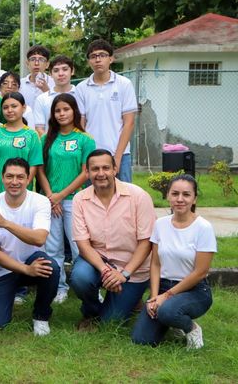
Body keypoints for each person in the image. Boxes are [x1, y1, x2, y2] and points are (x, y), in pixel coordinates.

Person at [70, 149, 155, 330]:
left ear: (115, 169)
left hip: (131, 268)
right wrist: (105, 271)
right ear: (87, 172)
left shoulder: (138, 196)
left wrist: (123, 274)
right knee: (80, 277)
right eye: (95, 169)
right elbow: (83, 244)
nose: (101, 173)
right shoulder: (80, 199)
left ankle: (132, 301)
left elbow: (146, 242)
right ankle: (91, 312)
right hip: (98, 262)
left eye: (106, 168)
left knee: (111, 322)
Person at [131, 174, 217, 349]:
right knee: (142, 339)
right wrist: (154, 296)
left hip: (194, 290)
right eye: (175, 193)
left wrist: (166, 297)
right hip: (163, 286)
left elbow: (200, 272)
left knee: (167, 310)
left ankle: (191, 328)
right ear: (168, 196)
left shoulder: (203, 228)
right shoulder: (160, 224)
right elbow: (155, 263)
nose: (180, 199)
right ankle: (172, 320)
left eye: (186, 194)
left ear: (194, 199)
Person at [0, 157, 57, 336]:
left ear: (28, 179)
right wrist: (26, 269)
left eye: (20, 177)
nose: (14, 182)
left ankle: (41, 316)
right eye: (9, 176)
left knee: (51, 268)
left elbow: (39, 238)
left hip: (32, 260)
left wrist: (6, 223)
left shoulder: (40, 201)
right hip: (1, 269)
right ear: (2, 178)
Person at [36, 93, 95, 303]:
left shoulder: (85, 139)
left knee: (79, 246)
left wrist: (61, 196)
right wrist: (51, 197)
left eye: (66, 109)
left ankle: (86, 286)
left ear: (74, 111)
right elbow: (39, 169)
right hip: (49, 201)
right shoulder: (45, 139)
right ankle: (59, 287)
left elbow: (86, 172)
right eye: (57, 111)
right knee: (52, 248)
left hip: (74, 200)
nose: (61, 114)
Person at [75, 39, 137, 182]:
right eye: (93, 56)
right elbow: (81, 124)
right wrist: (84, 154)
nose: (98, 60)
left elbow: (129, 123)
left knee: (123, 194)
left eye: (102, 55)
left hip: (120, 153)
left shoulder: (124, 84)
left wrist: (118, 157)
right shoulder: (81, 88)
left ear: (111, 58)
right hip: (91, 155)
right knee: (91, 194)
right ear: (89, 61)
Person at [0, 92, 42, 197]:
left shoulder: (32, 135)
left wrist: (21, 187)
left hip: (22, 194)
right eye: (5, 107)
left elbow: (34, 165)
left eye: (14, 106)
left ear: (23, 108)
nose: (9, 110)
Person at [34, 55, 76, 136]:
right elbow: (39, 129)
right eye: (56, 70)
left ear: (72, 71)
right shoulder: (42, 99)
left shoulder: (81, 95)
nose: (61, 74)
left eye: (65, 69)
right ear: (50, 74)